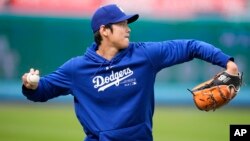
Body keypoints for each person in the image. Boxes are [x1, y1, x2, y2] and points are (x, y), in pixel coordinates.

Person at [22, 4, 239, 141]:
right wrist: (31, 86)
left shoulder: (145, 55)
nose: (128, 29)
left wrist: (227, 63)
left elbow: (190, 46)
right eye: (122, 24)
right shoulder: (76, 69)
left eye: (128, 23)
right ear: (104, 31)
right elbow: (43, 91)